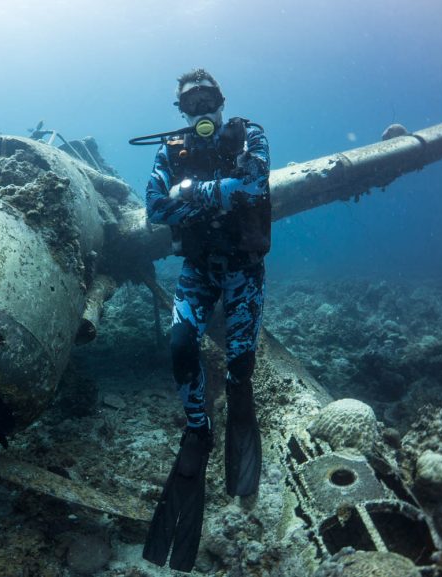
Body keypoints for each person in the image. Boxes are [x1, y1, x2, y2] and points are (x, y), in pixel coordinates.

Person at [141, 68, 271, 572]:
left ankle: (240, 405)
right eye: (190, 104)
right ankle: (199, 429)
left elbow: (256, 181)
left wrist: (191, 193)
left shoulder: (249, 134)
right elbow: (155, 207)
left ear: (221, 101)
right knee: (179, 347)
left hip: (243, 269)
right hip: (198, 270)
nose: (201, 111)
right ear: (182, 111)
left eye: (207, 99)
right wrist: (216, 193)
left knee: (241, 368)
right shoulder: (168, 151)